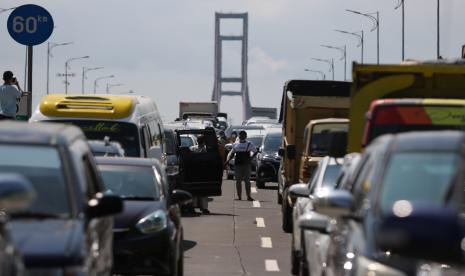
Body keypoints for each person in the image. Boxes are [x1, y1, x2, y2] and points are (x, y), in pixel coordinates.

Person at [225, 130, 257, 201]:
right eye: (240, 135)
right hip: (238, 165)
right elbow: (232, 153)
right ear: (239, 136)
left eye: (243, 135)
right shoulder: (235, 144)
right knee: (238, 181)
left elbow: (255, 151)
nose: (241, 136)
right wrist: (227, 161)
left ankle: (248, 196)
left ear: (245, 136)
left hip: (246, 165)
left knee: (247, 181)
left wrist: (251, 159)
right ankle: (239, 197)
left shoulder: (249, 144)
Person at [189, 135, 210, 214]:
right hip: (195, 173)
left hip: (202, 173)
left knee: (203, 192)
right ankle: (194, 207)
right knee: (195, 192)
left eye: (201, 140)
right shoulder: (192, 148)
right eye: (199, 140)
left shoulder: (206, 149)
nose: (200, 142)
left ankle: (203, 208)